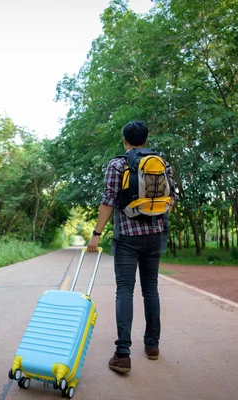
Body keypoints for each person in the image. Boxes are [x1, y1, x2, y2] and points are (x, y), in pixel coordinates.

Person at [86, 120, 177, 373]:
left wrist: (96, 234)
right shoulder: (162, 164)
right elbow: (171, 201)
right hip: (155, 236)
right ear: (145, 141)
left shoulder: (117, 164)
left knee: (124, 290)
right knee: (151, 289)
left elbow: (108, 201)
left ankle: (123, 354)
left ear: (124, 140)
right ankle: (152, 346)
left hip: (127, 237)